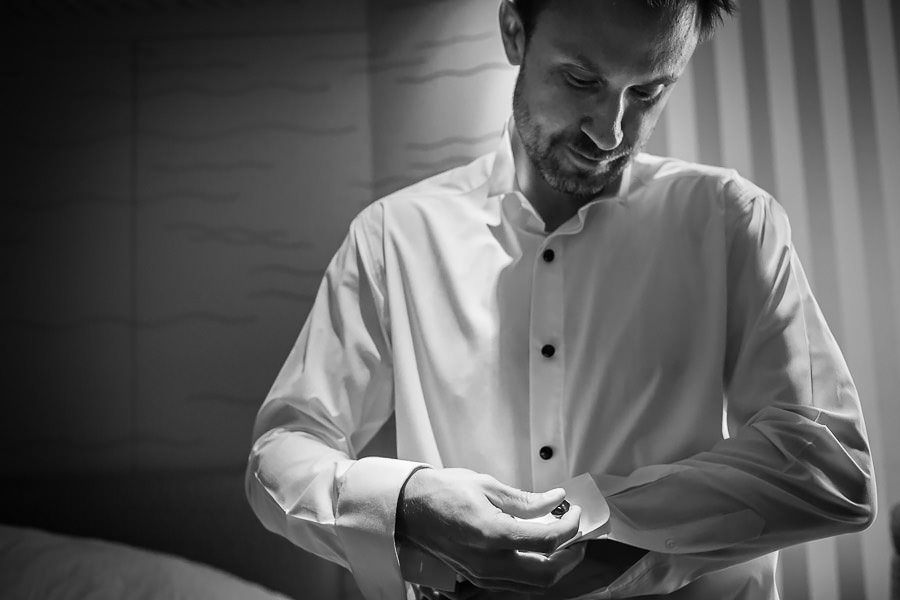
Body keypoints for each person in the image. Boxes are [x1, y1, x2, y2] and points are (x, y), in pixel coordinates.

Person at [245, 0, 877, 598]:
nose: (611, 132)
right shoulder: (392, 238)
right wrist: (409, 504)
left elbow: (830, 465)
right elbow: (281, 452)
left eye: (648, 91)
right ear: (514, 31)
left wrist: (609, 534)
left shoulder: (733, 222)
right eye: (580, 80)